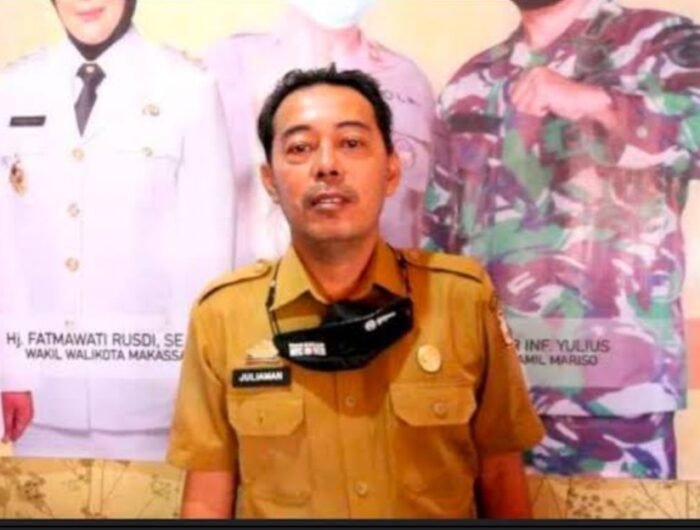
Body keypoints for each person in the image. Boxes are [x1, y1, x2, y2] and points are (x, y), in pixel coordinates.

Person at [167, 65, 544, 519]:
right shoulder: (223, 315)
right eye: (300, 148)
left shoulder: (462, 298)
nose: (327, 165)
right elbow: (207, 495)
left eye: (351, 143)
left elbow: (500, 473)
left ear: (391, 171)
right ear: (270, 182)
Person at [423, 0, 700, 479]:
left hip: (613, 398)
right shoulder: (471, 83)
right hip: (492, 399)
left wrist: (597, 103)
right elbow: (437, 237)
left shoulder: (656, 41)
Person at [0, 0, 234, 460]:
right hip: (37, 402)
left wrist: (193, 390)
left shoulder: (188, 87)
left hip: (153, 403)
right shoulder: (12, 88)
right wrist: (11, 370)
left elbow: (207, 257)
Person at [204, 0, 434, 267]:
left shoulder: (407, 80)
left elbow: (413, 215)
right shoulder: (232, 64)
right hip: (263, 280)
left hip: (378, 284)